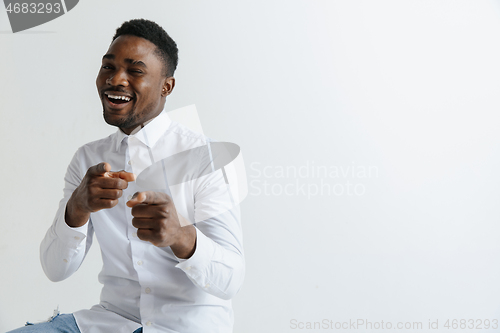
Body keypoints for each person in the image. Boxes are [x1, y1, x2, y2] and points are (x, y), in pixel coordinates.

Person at [8, 19, 244, 333]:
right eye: (108, 67)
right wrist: (76, 209)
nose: (116, 79)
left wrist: (180, 236)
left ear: (166, 86)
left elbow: (231, 280)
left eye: (135, 70)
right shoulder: (89, 159)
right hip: (108, 322)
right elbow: (55, 269)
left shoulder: (206, 158)